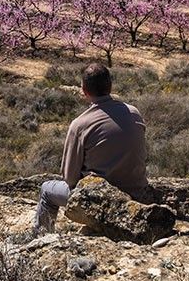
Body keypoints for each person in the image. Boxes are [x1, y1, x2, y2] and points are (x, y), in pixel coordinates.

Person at [33, 63, 148, 235]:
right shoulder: (134, 113)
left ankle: (41, 237)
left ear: (84, 90)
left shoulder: (80, 125)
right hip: (138, 191)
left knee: (47, 190)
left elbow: (69, 178)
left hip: (99, 199)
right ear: (110, 86)